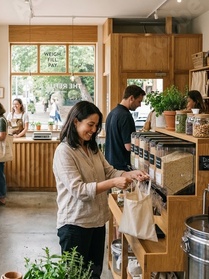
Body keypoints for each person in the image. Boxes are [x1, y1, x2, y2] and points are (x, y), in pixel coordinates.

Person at [53, 101, 149, 279]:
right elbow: (79, 190)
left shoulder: (92, 148)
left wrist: (131, 174)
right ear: (75, 122)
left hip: (97, 223)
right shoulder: (64, 151)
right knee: (75, 276)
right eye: (90, 124)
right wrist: (113, 182)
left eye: (96, 126)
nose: (93, 130)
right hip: (75, 225)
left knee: (93, 275)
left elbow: (110, 171)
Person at [105, 84, 146, 171]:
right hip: (122, 167)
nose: (140, 105)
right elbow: (129, 146)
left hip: (110, 164)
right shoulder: (126, 116)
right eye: (139, 101)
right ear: (131, 98)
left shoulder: (112, 113)